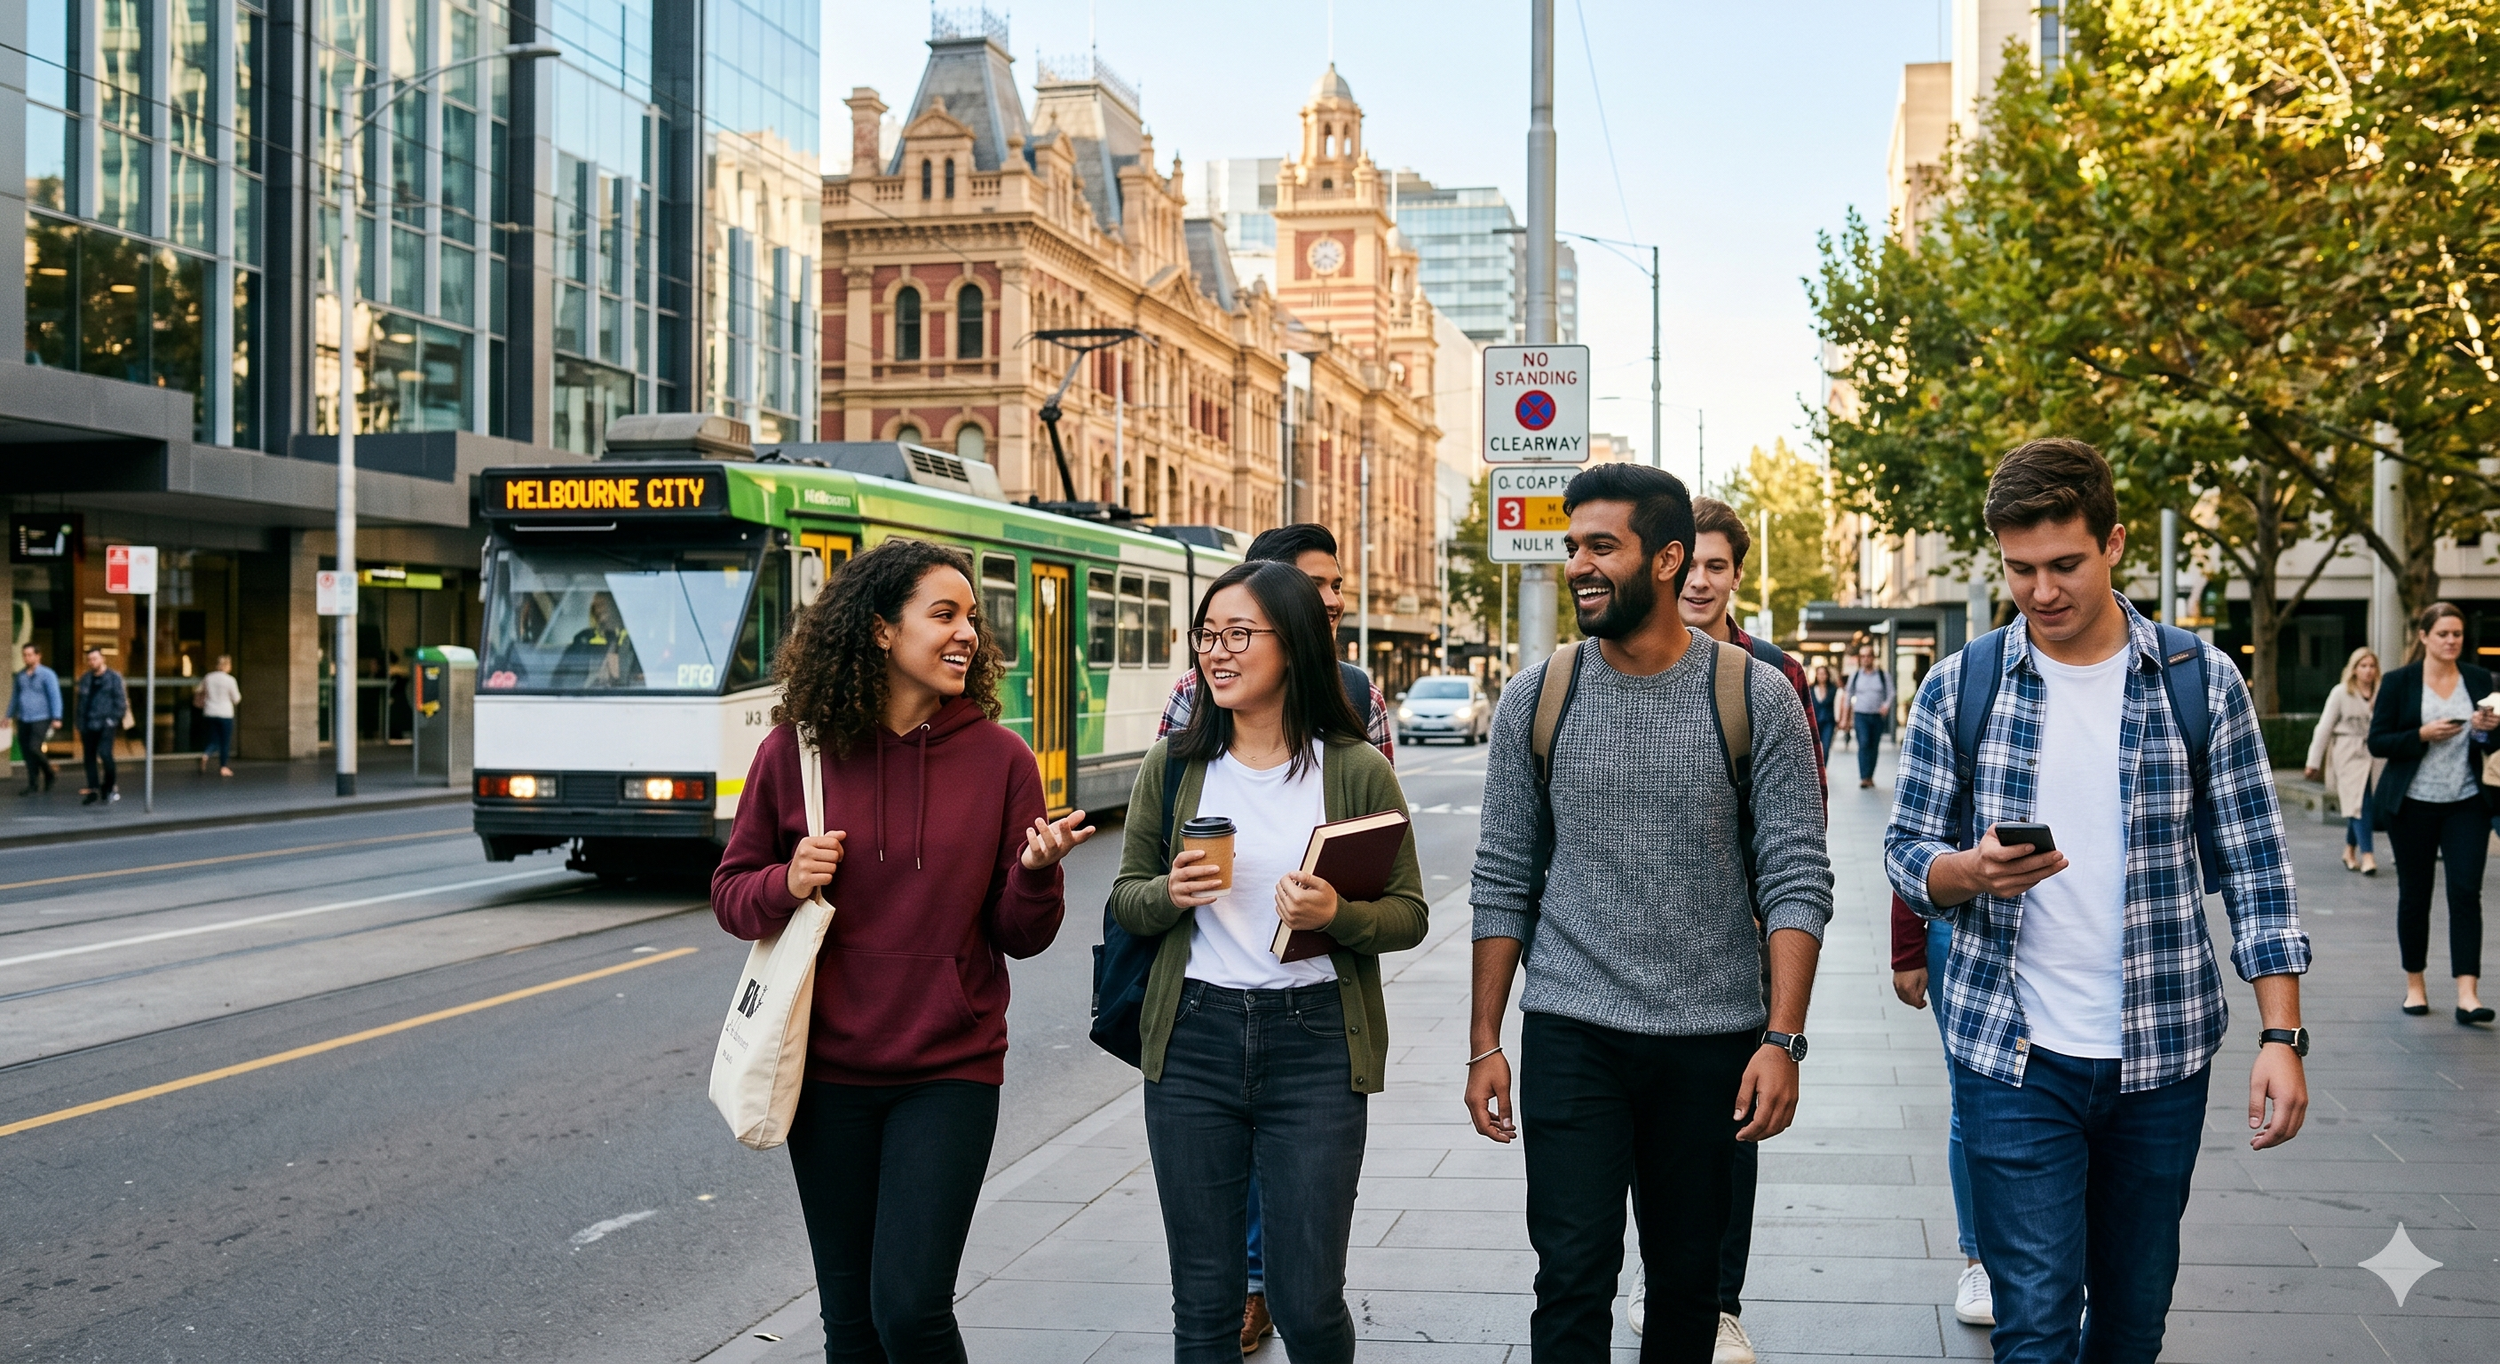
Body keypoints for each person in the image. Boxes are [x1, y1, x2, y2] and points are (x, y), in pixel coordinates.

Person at [1885, 438, 2311, 1363]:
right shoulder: (1964, 685)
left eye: (2065, 564)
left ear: (2112, 543)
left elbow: (2257, 867)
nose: (2042, 591)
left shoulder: (2201, 681)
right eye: (2020, 569)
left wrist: (2282, 1037)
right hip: (2013, 1051)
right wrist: (1971, 873)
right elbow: (1907, 848)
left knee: (2130, 1324)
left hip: (2163, 1054)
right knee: (2033, 1327)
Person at [1467, 462, 1832, 1362]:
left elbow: (1797, 876)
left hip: (1711, 1040)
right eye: (1571, 546)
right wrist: (1485, 1041)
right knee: (1572, 1279)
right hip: (1571, 1030)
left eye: (1602, 546)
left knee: (1685, 1286)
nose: (1580, 565)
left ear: (1667, 559)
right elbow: (1502, 873)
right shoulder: (1538, 694)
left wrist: (1781, 1042)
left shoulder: (1757, 695)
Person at [711, 537, 1094, 1361]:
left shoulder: (1001, 759)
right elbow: (731, 894)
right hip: (827, 1076)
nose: (967, 635)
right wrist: (786, 880)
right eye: (943, 614)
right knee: (849, 1322)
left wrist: (1034, 875)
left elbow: (1022, 938)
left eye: (972, 620)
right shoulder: (796, 752)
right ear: (882, 630)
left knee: (910, 1309)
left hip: (948, 1072)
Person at [1112, 559, 1428, 1364]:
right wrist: (1170, 894)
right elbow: (1126, 898)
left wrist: (1337, 914)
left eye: (1239, 634)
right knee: (1206, 1302)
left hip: (1316, 1043)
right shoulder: (1176, 765)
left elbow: (1409, 914)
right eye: (1207, 636)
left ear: (1291, 646)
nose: (1217, 652)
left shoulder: (1355, 768)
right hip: (1192, 1040)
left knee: (1306, 1300)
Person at [1661, 495, 1827, 1359]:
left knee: (1732, 1126)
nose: (1700, 582)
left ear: (1736, 574)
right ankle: (1664, 1290)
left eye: (1717, 567)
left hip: (1740, 945)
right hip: (1641, 943)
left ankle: (1718, 1302)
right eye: (1688, 566)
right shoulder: (1618, 663)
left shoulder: (1776, 675)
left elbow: (1806, 819)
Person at [1159, 523, 1392, 765]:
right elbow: (1168, 782)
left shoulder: (1363, 695)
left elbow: (1375, 795)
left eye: (1336, 586)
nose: (1333, 601)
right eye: (1312, 586)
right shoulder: (1193, 692)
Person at [2365, 602, 2498, 1024]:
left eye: (2457, 634)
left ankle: (2468, 994)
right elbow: (2378, 741)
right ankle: (2415, 985)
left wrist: (2486, 730)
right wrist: (2422, 734)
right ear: (2424, 637)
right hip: (2413, 805)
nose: (2451, 641)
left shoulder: (2478, 678)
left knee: (2465, 893)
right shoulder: (2401, 682)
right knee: (2415, 895)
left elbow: (2489, 745)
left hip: (2467, 802)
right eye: (2443, 634)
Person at [1889, 890, 1994, 1328]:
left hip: (2077, 931)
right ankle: (1980, 1264)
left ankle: (2067, 1259)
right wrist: (1907, 948)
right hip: (1960, 925)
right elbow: (1913, 831)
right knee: (1971, 1096)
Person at [2304, 647, 2384, 875]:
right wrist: (2313, 762)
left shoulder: (2382, 691)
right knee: (2360, 802)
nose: (2368, 671)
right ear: (2354, 669)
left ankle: (2349, 850)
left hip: (2375, 755)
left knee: (2358, 803)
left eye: (2372, 666)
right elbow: (2324, 728)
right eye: (2363, 666)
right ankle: (2368, 855)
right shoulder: (2341, 692)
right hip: (2348, 754)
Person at [75, 647, 128, 806]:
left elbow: (120, 702)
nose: (92, 662)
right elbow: (80, 703)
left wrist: (112, 720)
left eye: (95, 658)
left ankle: (109, 787)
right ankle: (93, 788)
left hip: (105, 724)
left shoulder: (113, 678)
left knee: (105, 755)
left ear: (102, 659)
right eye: (90, 659)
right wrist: (79, 723)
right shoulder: (86, 678)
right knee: (89, 757)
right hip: (88, 724)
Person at [10, 644, 63, 795]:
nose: (27, 658)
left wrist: (56, 716)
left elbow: (55, 696)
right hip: (23, 717)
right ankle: (33, 783)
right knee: (27, 752)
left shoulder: (47, 674)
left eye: (30, 655)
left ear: (38, 655)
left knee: (34, 747)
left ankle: (49, 773)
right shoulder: (20, 675)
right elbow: (15, 697)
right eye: (24, 655)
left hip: (42, 717)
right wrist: (8, 715)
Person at [1844, 643, 1895, 788]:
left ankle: (1870, 776)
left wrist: (1886, 705)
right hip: (1860, 715)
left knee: (1873, 746)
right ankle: (1864, 777)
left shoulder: (1882, 675)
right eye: (1863, 656)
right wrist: (1845, 717)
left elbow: (1891, 692)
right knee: (1864, 743)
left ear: (1873, 658)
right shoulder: (1855, 676)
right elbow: (1848, 695)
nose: (1865, 659)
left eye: (1868, 656)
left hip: (1877, 716)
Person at [197, 654, 241, 777]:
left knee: (214, 738)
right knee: (225, 741)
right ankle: (223, 767)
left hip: (210, 711)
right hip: (225, 713)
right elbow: (236, 698)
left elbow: (200, 691)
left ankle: (206, 754)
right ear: (227, 666)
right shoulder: (230, 680)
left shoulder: (208, 677)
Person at [1808, 664, 1838, 766]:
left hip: (1828, 722)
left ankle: (1823, 768)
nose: (1822, 676)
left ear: (1828, 675)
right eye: (1819, 674)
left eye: (1824, 674)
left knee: (1826, 747)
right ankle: (1815, 769)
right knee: (1813, 748)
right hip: (1814, 722)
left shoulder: (1833, 689)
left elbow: (1837, 705)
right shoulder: (1810, 689)